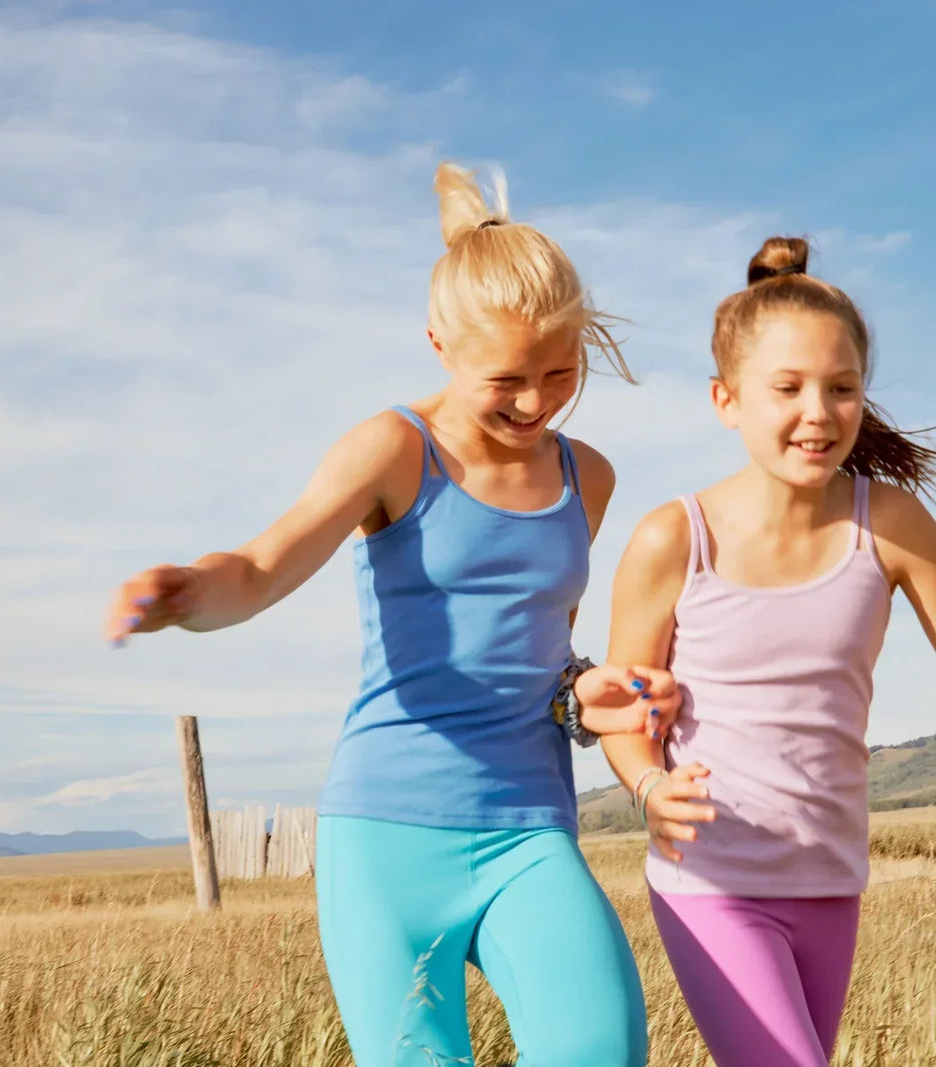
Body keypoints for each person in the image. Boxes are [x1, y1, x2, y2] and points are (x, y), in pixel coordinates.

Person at [105, 163, 677, 1067]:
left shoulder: (587, 477)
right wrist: (188, 593)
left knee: (600, 1048)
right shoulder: (393, 449)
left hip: (530, 825)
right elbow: (259, 565)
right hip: (387, 836)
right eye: (507, 379)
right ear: (439, 345)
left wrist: (586, 688)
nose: (535, 401)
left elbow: (542, 647)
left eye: (560, 372)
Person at [599, 236, 936, 1067]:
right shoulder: (673, 538)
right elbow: (620, 710)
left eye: (843, 388)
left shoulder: (891, 524)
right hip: (712, 878)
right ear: (726, 399)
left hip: (831, 879)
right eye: (786, 388)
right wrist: (649, 786)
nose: (819, 412)